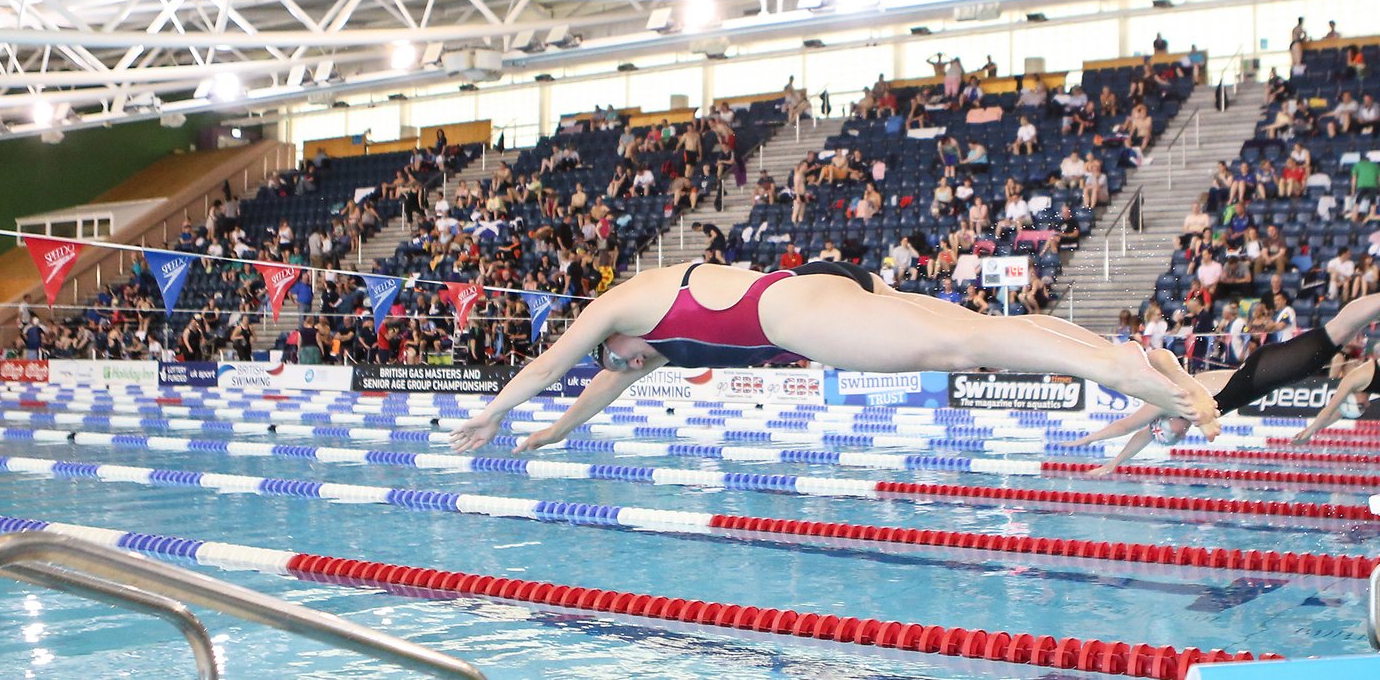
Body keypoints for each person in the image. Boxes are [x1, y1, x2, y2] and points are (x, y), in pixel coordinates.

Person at [447, 262, 1217, 454]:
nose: (617, 367)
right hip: (821, 286)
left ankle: (1116, 372)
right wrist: (552, 435)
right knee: (973, 334)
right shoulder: (643, 342)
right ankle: (1121, 355)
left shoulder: (617, 307)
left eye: (612, 361)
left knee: (964, 346)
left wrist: (491, 412)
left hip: (797, 311)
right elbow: (597, 391)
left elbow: (550, 368)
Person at [1068, 290, 1380, 474]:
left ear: (1162, 424)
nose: (1173, 439)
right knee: (1337, 336)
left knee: (1334, 334)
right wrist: (1115, 463)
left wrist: (1088, 440)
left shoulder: (1170, 399)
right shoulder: (1188, 411)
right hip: (1266, 374)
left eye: (1166, 437)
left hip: (1265, 372)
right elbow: (1142, 436)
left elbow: (1128, 427)